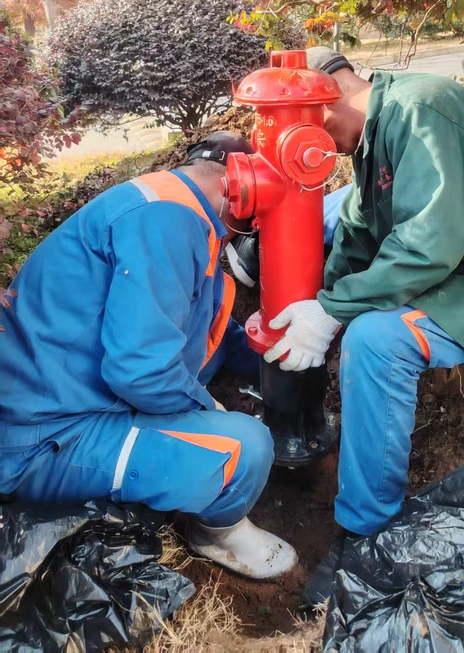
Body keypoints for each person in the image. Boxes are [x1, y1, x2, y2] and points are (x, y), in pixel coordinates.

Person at [249, 47, 464, 599]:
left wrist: (335, 311)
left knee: (376, 339)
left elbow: (429, 246)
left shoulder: (422, 110)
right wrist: (311, 304)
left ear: (327, 101)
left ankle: (365, 533)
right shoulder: (374, 133)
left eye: (301, 125)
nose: (313, 145)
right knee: (354, 312)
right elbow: (358, 235)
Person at [0, 131, 297, 580]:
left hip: (68, 397)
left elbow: (202, 326)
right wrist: (208, 407)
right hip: (45, 438)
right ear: (241, 189)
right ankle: (218, 534)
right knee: (246, 447)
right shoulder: (168, 223)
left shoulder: (172, 205)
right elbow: (139, 372)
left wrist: (275, 365)